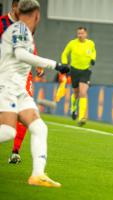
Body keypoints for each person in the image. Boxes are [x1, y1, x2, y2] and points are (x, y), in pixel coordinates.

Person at [0, 0, 69, 187]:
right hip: (6, 87)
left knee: (39, 128)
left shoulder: (21, 30)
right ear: (37, 15)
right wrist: (55, 65)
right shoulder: (21, 30)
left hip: (18, 90)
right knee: (7, 131)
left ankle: (37, 175)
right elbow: (21, 54)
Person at [61, 27, 96, 126]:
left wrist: (93, 58)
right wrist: (64, 63)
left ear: (86, 34)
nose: (80, 35)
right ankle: (73, 108)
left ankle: (82, 117)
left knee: (83, 92)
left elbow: (93, 52)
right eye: (78, 33)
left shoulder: (90, 43)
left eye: (82, 33)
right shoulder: (72, 43)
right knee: (76, 93)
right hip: (74, 70)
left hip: (85, 70)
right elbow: (64, 53)